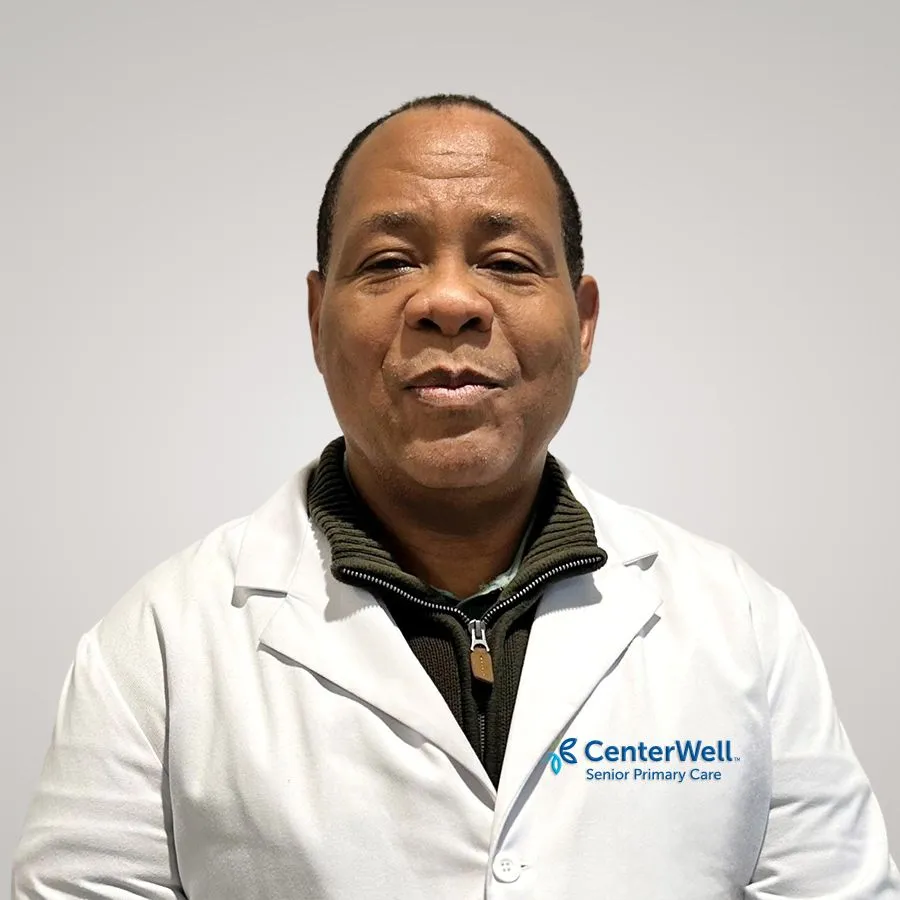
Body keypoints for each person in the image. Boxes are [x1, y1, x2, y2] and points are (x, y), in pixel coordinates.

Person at [11, 92, 899, 898]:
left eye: (507, 261)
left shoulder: (739, 625)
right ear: (317, 319)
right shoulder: (160, 645)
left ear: (583, 322)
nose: (447, 300)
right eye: (388, 261)